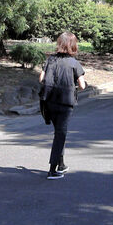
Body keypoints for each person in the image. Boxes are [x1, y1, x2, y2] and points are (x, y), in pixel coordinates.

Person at [39, 32, 86, 180]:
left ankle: (61, 165)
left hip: (50, 102)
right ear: (73, 45)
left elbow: (41, 78)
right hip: (65, 104)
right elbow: (82, 85)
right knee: (60, 134)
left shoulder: (50, 60)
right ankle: (52, 170)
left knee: (59, 132)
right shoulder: (74, 63)